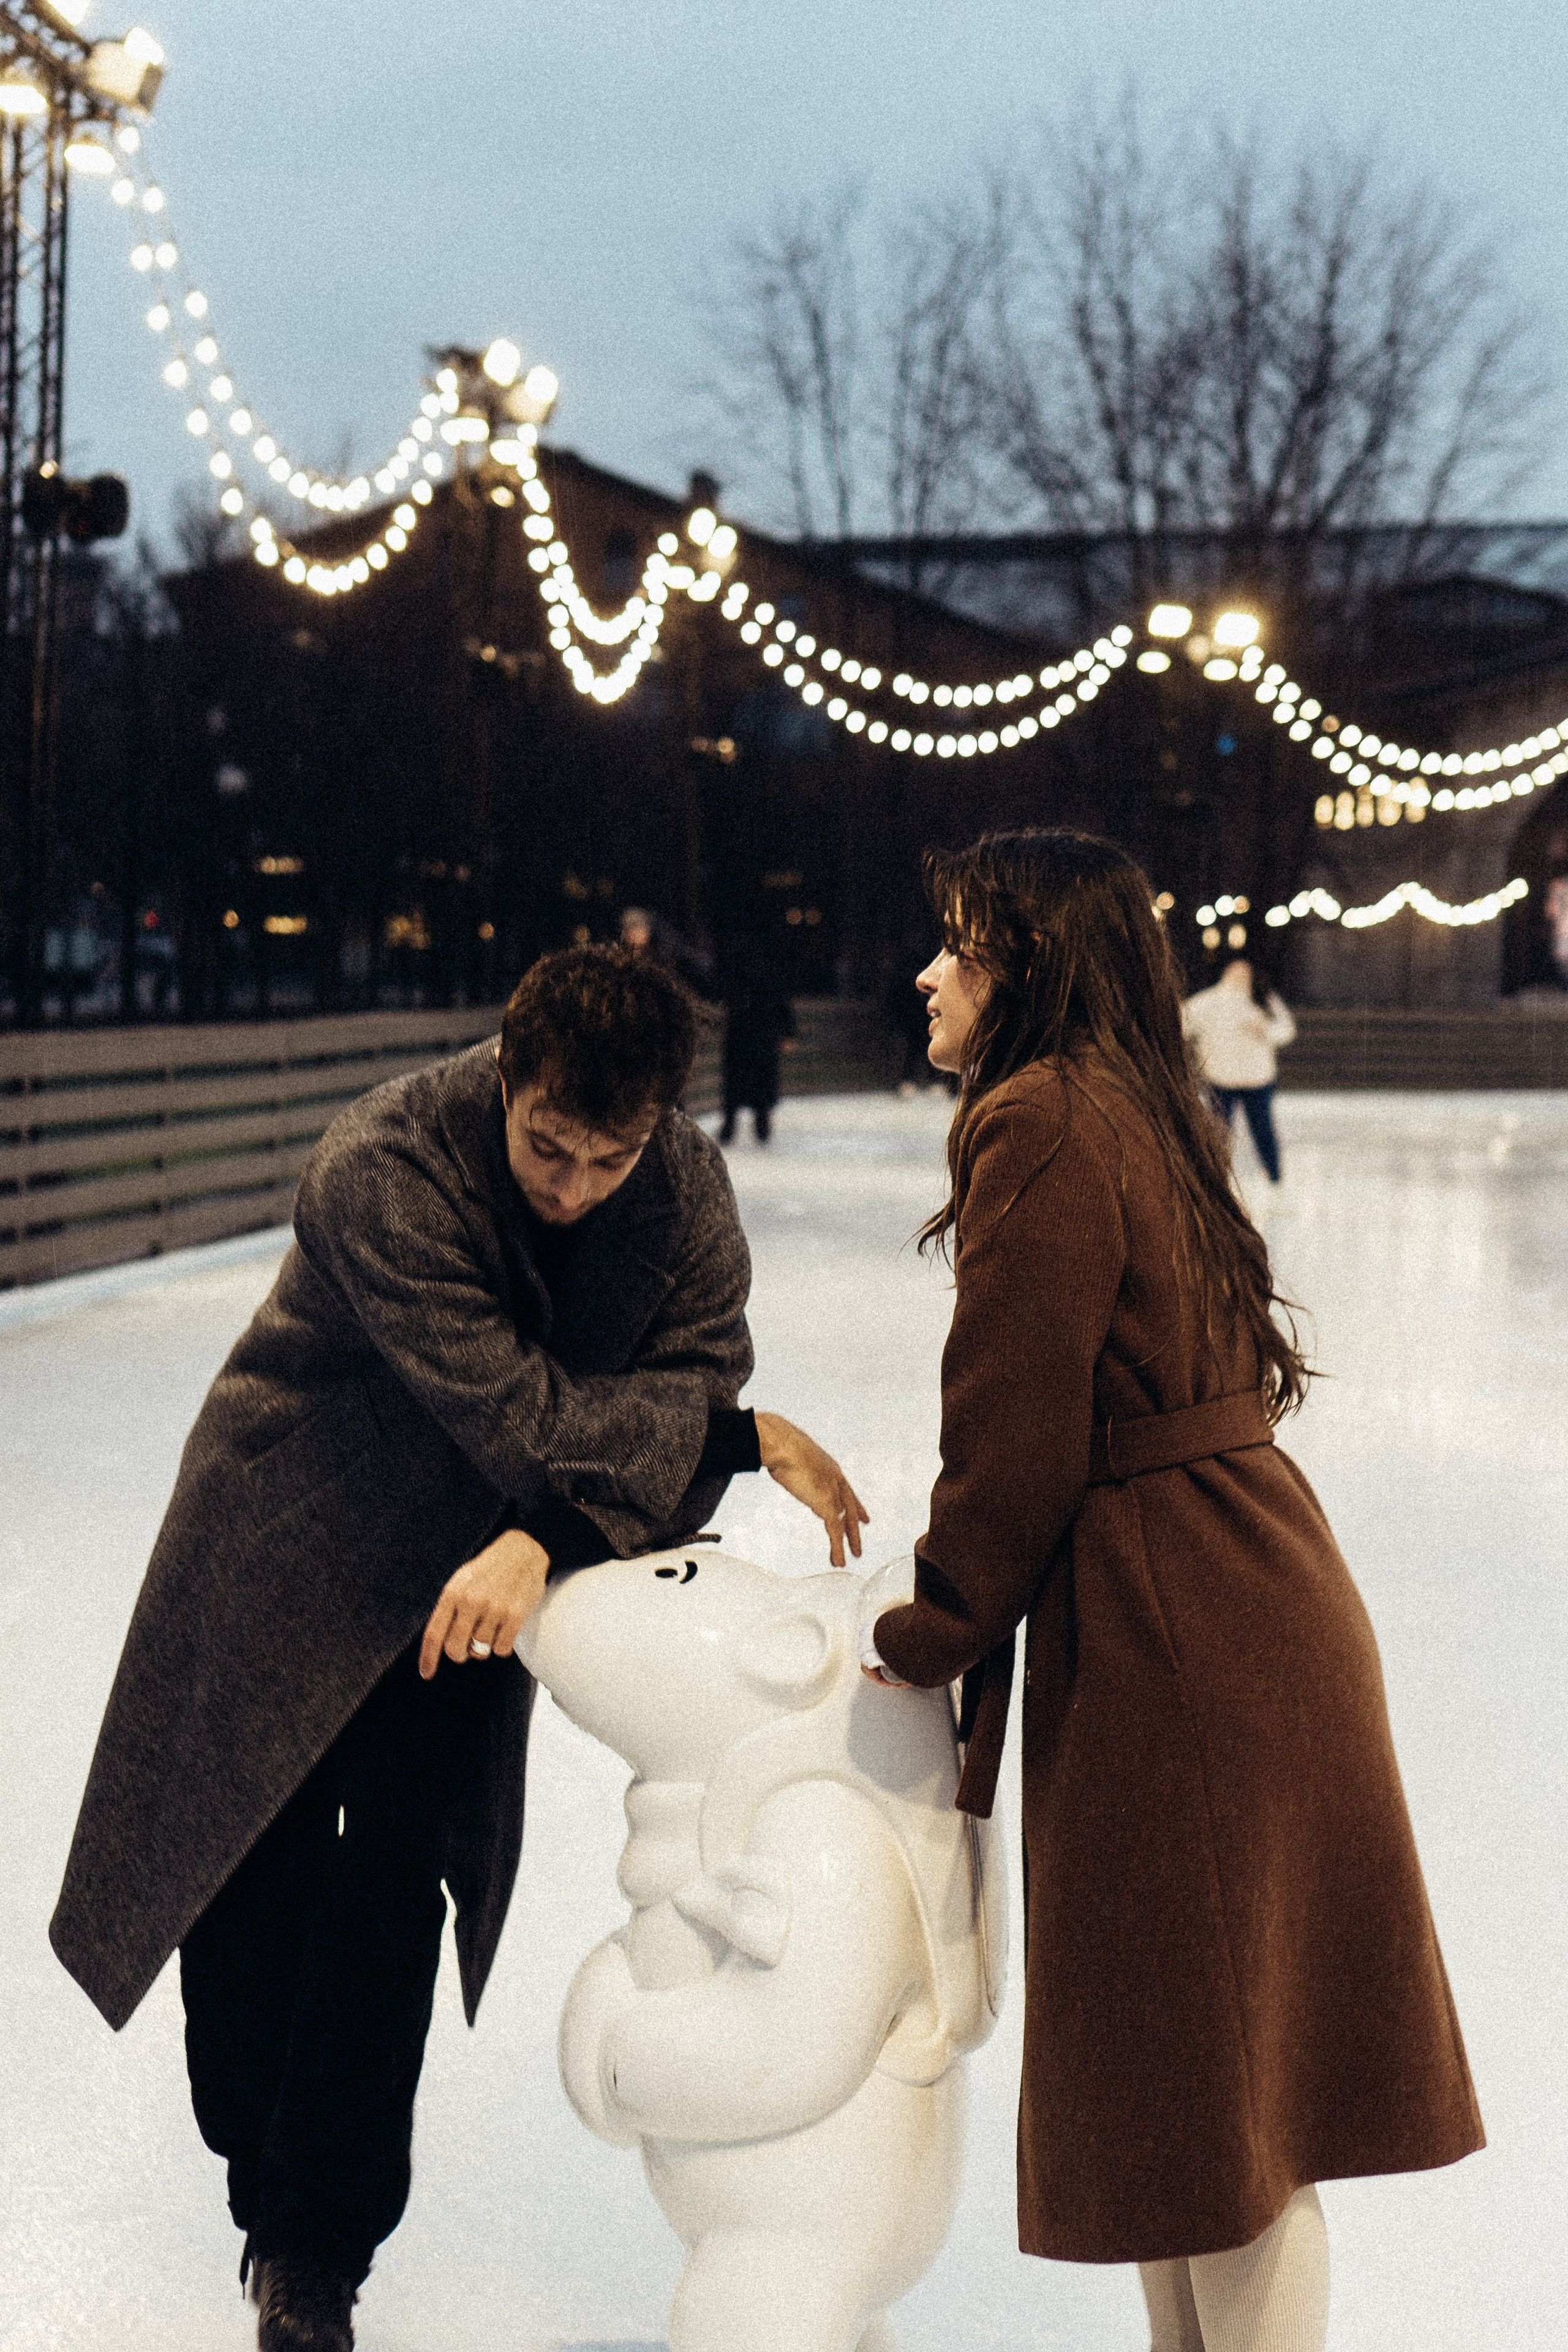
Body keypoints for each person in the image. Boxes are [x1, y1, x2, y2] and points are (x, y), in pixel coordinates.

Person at [50, 943, 866, 2352]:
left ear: (658, 1122)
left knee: (389, 1891)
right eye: (548, 1144)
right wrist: (729, 1442)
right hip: (290, 1532)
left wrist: (549, 1535)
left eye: (606, 1158)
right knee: (247, 1894)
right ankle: (267, 2171)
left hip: (476, 1573)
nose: (570, 1185)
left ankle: (315, 2254)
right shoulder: (381, 1165)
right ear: (507, 1063)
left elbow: (691, 1363)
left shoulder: (682, 1188)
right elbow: (525, 1408)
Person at [861, 831, 1483, 2352]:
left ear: (1033, 971)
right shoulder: (1130, 1102)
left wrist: (932, 1621)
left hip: (1178, 1629)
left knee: (1219, 2109)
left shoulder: (1043, 1119)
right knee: (1185, 2097)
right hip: (1219, 1590)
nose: (928, 974)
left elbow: (1012, 1427)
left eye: (961, 946)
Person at [1181, 955, 1296, 1183]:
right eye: (1236, 972)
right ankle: (1215, 1178)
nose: (1241, 977)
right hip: (1221, 1079)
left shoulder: (1263, 1000)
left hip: (1257, 1080)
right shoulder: (1208, 1002)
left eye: (1246, 973)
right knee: (1219, 1133)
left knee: (1263, 1131)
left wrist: (1265, 1028)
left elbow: (1286, 1030)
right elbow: (1182, 1023)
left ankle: (1274, 1176)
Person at [718, 933, 797, 1144]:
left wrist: (788, 1031)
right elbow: (782, 1003)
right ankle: (744, 1124)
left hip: (754, 1033)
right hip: (752, 1033)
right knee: (746, 1082)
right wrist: (788, 1032)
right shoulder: (747, 973)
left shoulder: (753, 973)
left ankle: (745, 1125)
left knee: (747, 1082)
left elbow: (781, 1003)